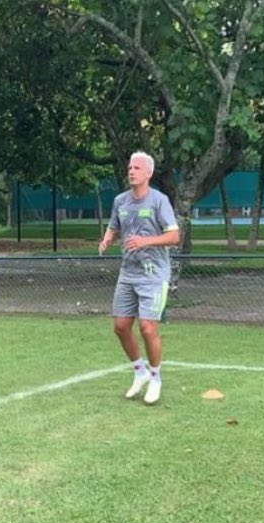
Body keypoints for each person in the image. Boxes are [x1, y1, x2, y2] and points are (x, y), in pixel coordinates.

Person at [98, 151, 180, 404]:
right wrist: (107, 239)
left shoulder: (159, 201)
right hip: (128, 273)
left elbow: (174, 236)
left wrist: (145, 241)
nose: (131, 171)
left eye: (137, 168)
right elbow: (114, 226)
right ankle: (140, 371)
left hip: (154, 275)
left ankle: (155, 378)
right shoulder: (120, 201)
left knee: (147, 328)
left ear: (148, 173)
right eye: (130, 167)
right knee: (121, 327)